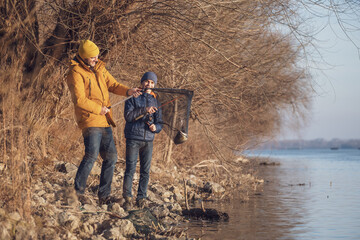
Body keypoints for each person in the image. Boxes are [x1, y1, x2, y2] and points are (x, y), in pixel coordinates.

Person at [66, 39, 141, 205]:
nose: (96, 59)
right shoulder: (75, 73)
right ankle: (77, 193)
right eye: (93, 57)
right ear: (84, 57)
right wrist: (97, 109)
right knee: (91, 155)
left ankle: (104, 196)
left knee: (111, 157)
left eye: (97, 56)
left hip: (105, 121)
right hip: (90, 120)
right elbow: (79, 100)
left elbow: (113, 84)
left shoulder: (99, 67)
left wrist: (128, 90)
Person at [122, 71, 163, 210]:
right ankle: (127, 198)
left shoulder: (156, 101)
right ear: (142, 82)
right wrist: (144, 110)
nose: (149, 84)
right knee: (130, 169)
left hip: (149, 141)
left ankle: (141, 198)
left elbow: (160, 123)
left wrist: (155, 127)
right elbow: (128, 116)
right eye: (146, 81)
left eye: (152, 82)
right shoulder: (133, 98)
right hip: (133, 138)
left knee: (145, 171)